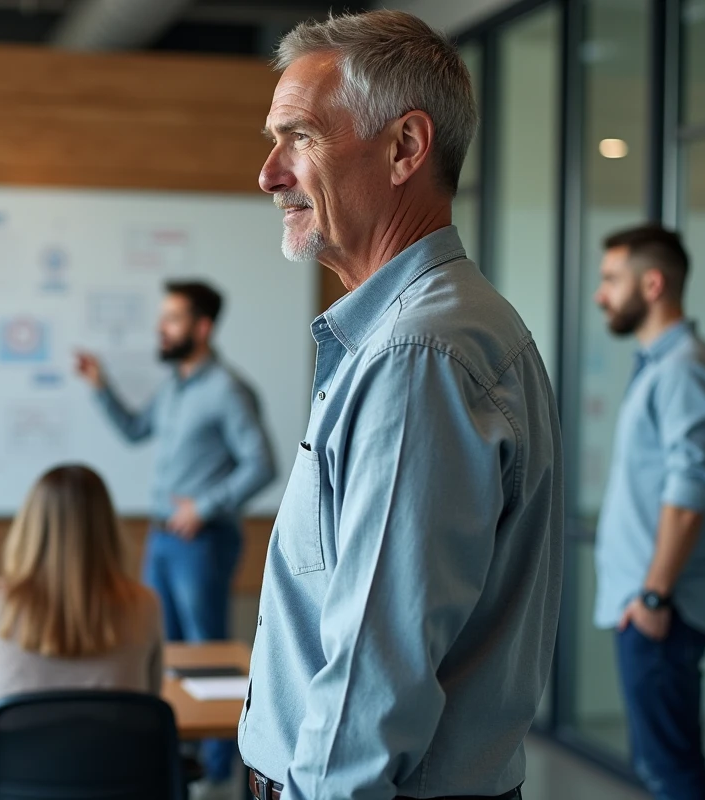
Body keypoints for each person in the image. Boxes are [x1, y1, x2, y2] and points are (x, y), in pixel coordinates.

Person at [240, 11, 563, 800]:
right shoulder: (430, 332)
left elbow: (370, 680)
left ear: (404, 148)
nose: (269, 173)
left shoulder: (417, 356)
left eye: (301, 137)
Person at [75, 281, 275, 786]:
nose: (160, 329)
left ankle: (217, 775)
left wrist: (205, 507)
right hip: (161, 538)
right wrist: (101, 386)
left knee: (208, 658)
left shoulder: (226, 389)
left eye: (172, 320)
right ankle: (175, 765)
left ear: (201, 328)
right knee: (164, 651)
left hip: (201, 542)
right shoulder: (175, 388)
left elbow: (262, 464)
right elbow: (134, 431)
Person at [593, 225, 705, 800]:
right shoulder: (662, 366)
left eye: (610, 280)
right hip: (648, 607)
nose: (601, 295)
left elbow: (689, 493)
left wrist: (652, 597)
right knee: (660, 768)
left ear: (652, 284)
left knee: (672, 772)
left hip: (659, 610)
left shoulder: (683, 369)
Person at [0, 464, 163, 710]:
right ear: (108, 528)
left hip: (12, 758)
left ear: (30, 525)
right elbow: (149, 699)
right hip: (118, 757)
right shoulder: (145, 605)